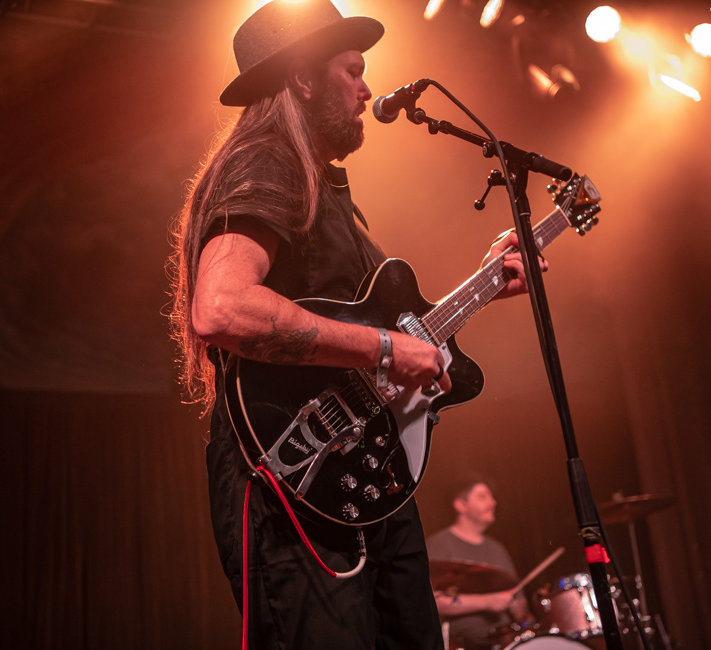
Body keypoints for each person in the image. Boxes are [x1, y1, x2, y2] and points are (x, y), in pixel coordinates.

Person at [167, 1, 545, 648]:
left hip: (364, 479)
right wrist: (382, 348)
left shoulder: (328, 193)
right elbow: (222, 307)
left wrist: (488, 283)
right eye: (352, 70)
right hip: (294, 475)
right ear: (304, 79)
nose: (367, 88)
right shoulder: (266, 161)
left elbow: (400, 340)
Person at [427, 477, 534, 650]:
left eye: (491, 497)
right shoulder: (440, 544)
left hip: (506, 642)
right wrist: (487, 602)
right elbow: (434, 602)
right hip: (462, 644)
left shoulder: (498, 548)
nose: (493, 502)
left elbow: (521, 604)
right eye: (483, 496)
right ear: (461, 505)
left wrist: (519, 607)